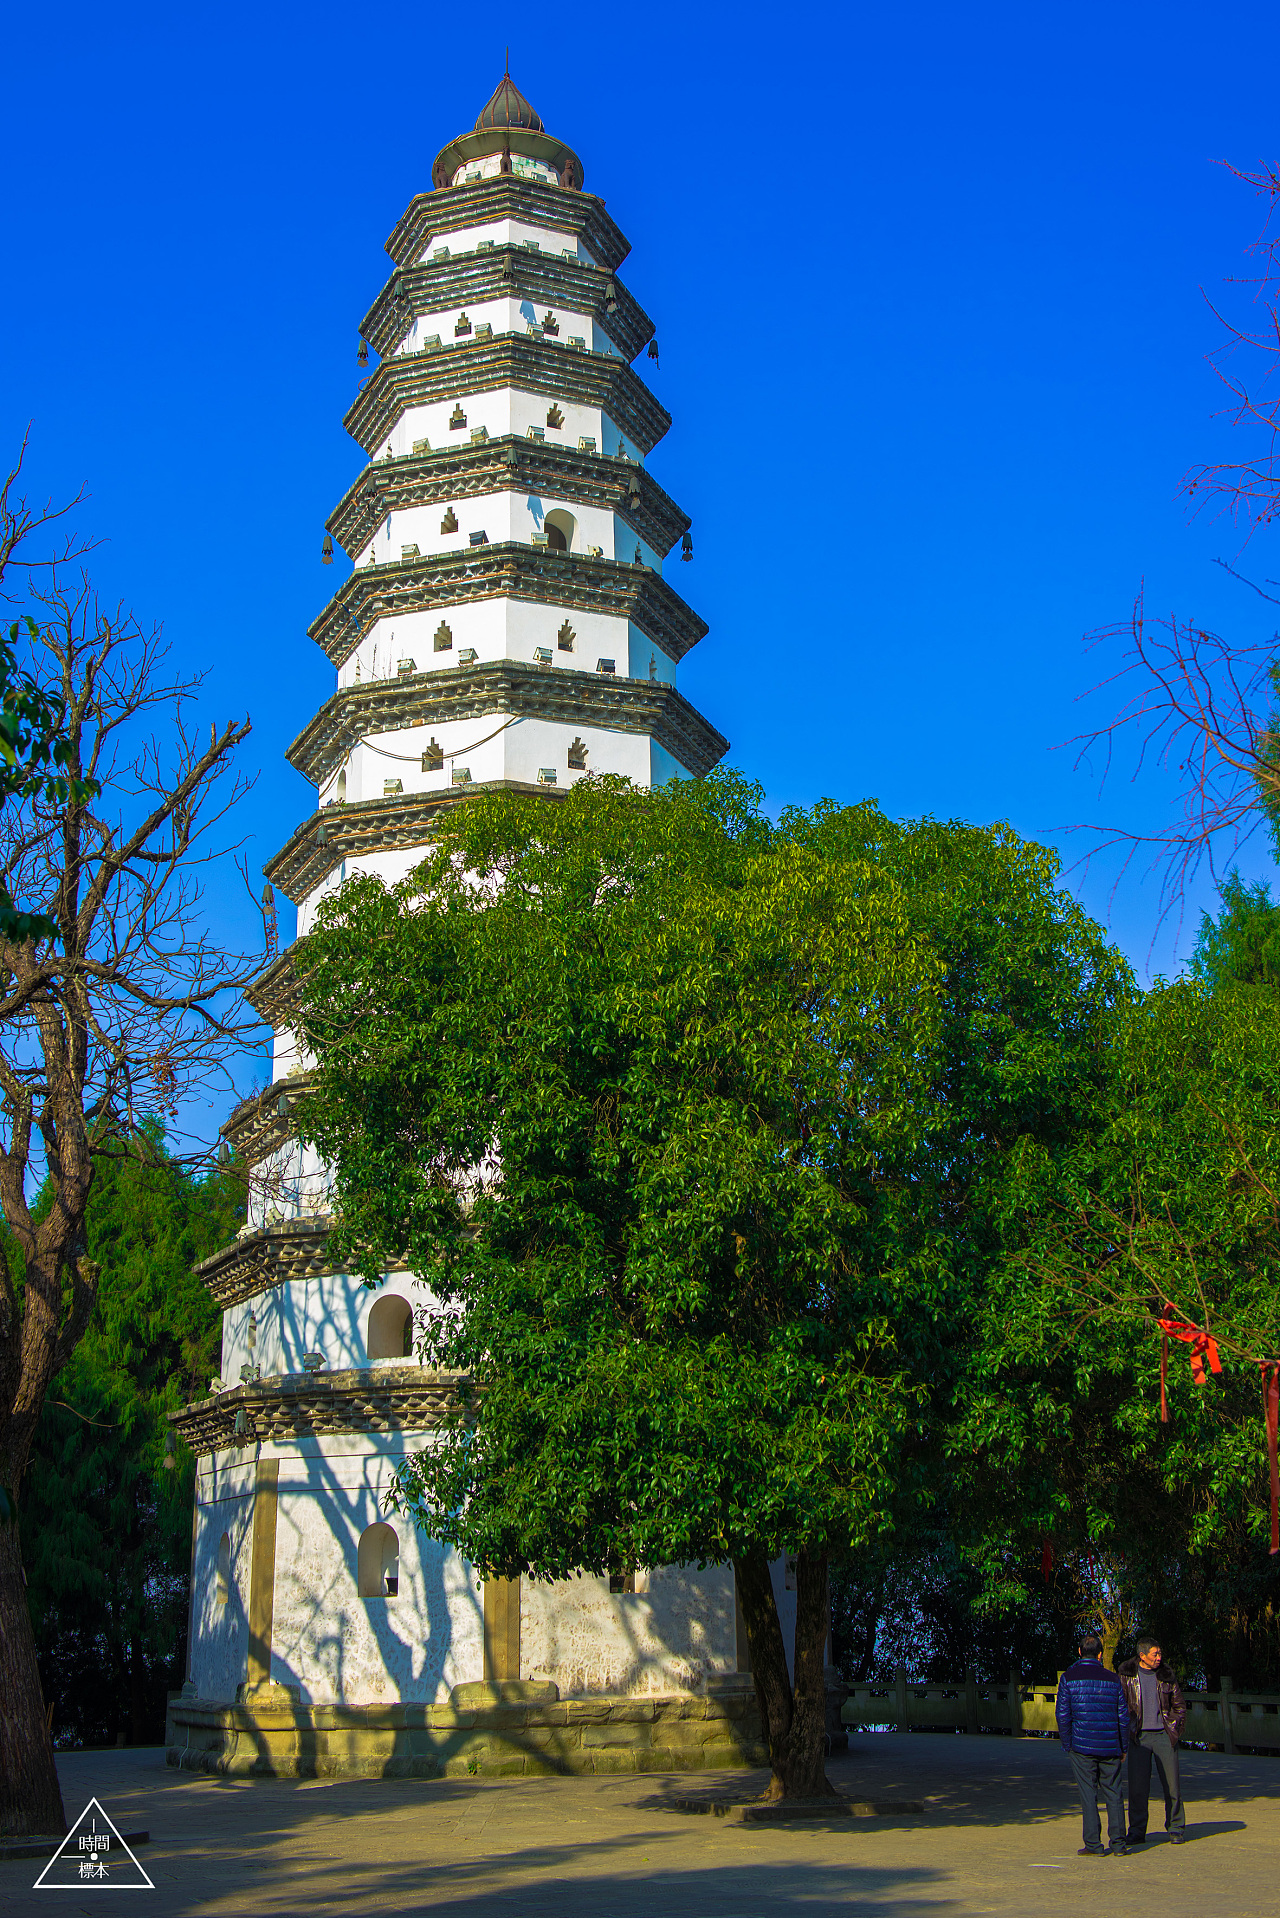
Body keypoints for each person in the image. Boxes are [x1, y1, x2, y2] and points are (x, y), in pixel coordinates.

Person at [1055, 1633, 1130, 1856]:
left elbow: (1062, 1715)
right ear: (1100, 1654)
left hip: (1081, 1745)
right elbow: (1123, 1717)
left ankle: (1093, 1844)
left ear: (1079, 1652)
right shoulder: (1113, 1679)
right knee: (1114, 1793)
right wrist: (1123, 1746)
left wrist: (1068, 1743)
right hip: (1110, 1746)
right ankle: (1118, 1844)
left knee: (1088, 1794)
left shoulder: (1069, 1678)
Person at [1118, 1637, 1187, 1844]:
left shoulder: (1166, 1675)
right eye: (1154, 1654)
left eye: (1159, 1654)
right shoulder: (1126, 1676)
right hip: (1138, 1737)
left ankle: (1176, 1828)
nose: (1159, 1658)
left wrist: (1172, 1729)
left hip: (1163, 1736)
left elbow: (1179, 1706)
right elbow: (1119, 1706)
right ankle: (1137, 1831)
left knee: (1172, 1785)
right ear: (1142, 1656)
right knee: (1138, 1788)